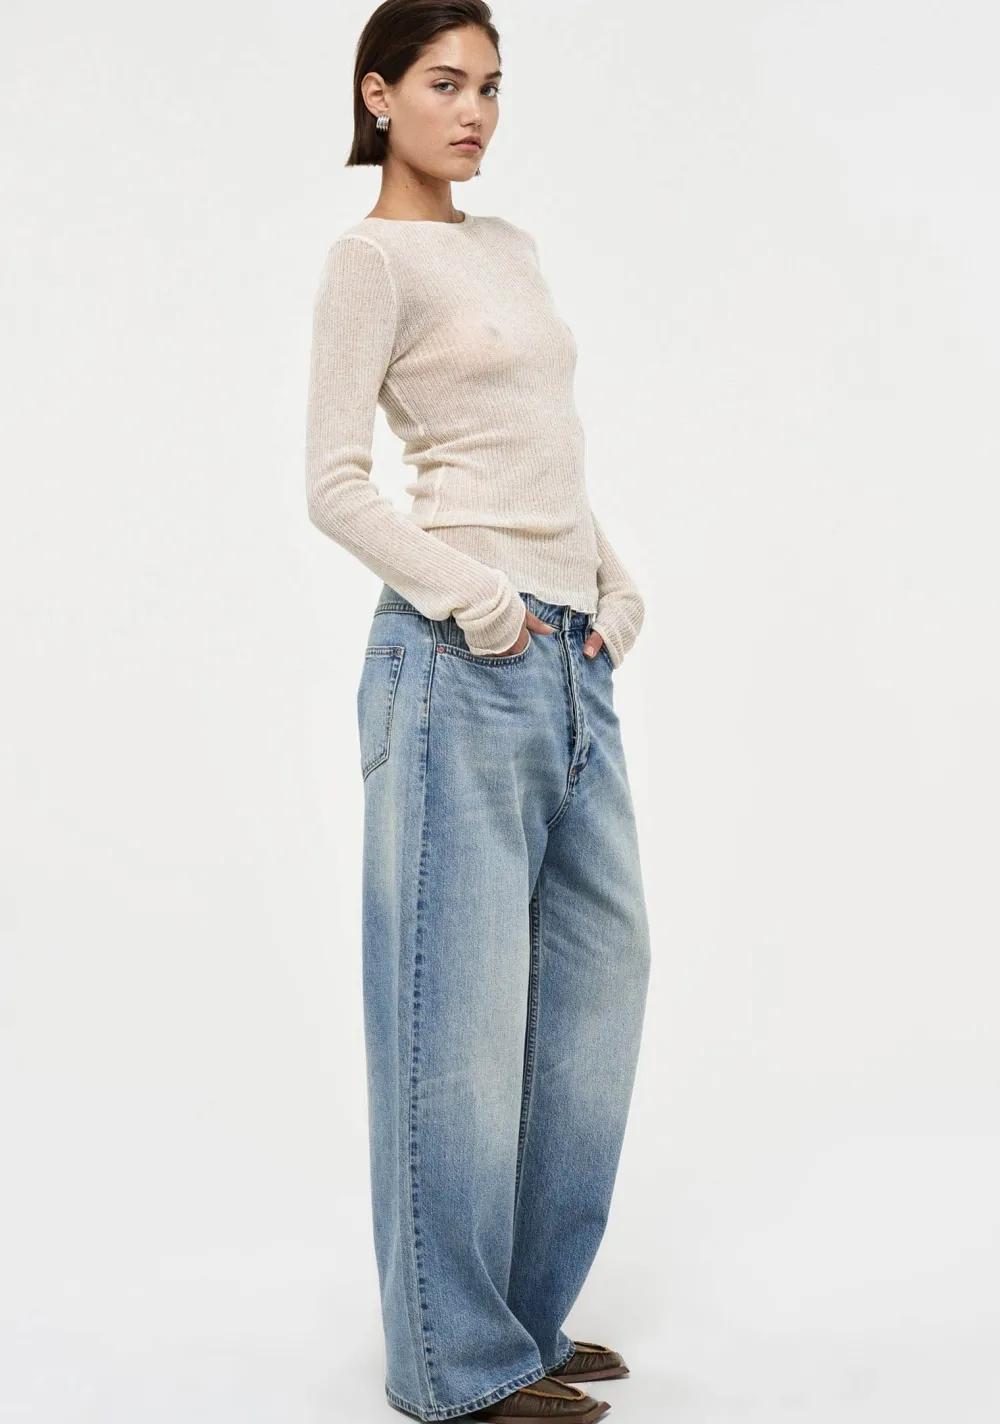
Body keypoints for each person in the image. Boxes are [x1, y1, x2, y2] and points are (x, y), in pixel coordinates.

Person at [304, 3, 651, 1420]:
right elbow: (333, 484)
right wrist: (483, 601)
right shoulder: (370, 260)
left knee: (594, 996)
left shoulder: (509, 246)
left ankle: (518, 1323)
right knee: (453, 1022)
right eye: (445, 83)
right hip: (459, 665)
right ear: (378, 95)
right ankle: (451, 1364)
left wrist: (612, 587)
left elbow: (540, 451)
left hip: (572, 663)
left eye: (492, 87)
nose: (475, 111)